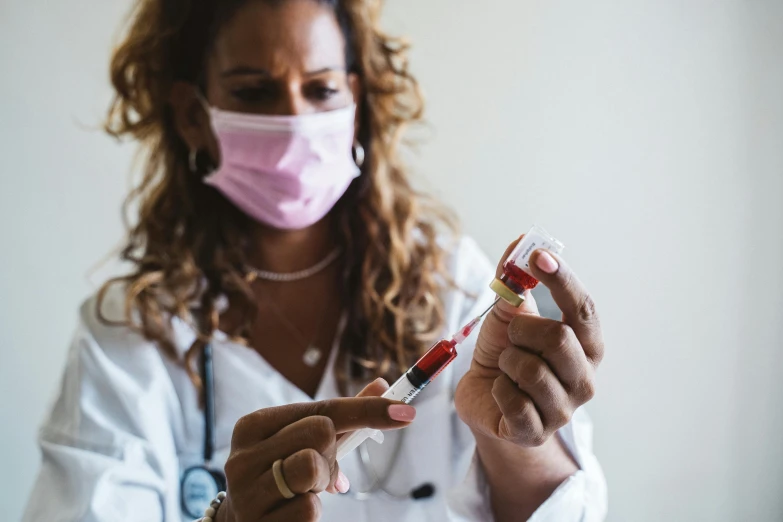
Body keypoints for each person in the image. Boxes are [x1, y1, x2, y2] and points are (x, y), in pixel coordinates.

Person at [23, 0, 607, 520]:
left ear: (355, 102)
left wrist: (513, 437)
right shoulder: (128, 333)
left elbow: (564, 509)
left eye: (322, 90)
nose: (295, 121)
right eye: (255, 92)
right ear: (193, 116)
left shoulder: (453, 283)